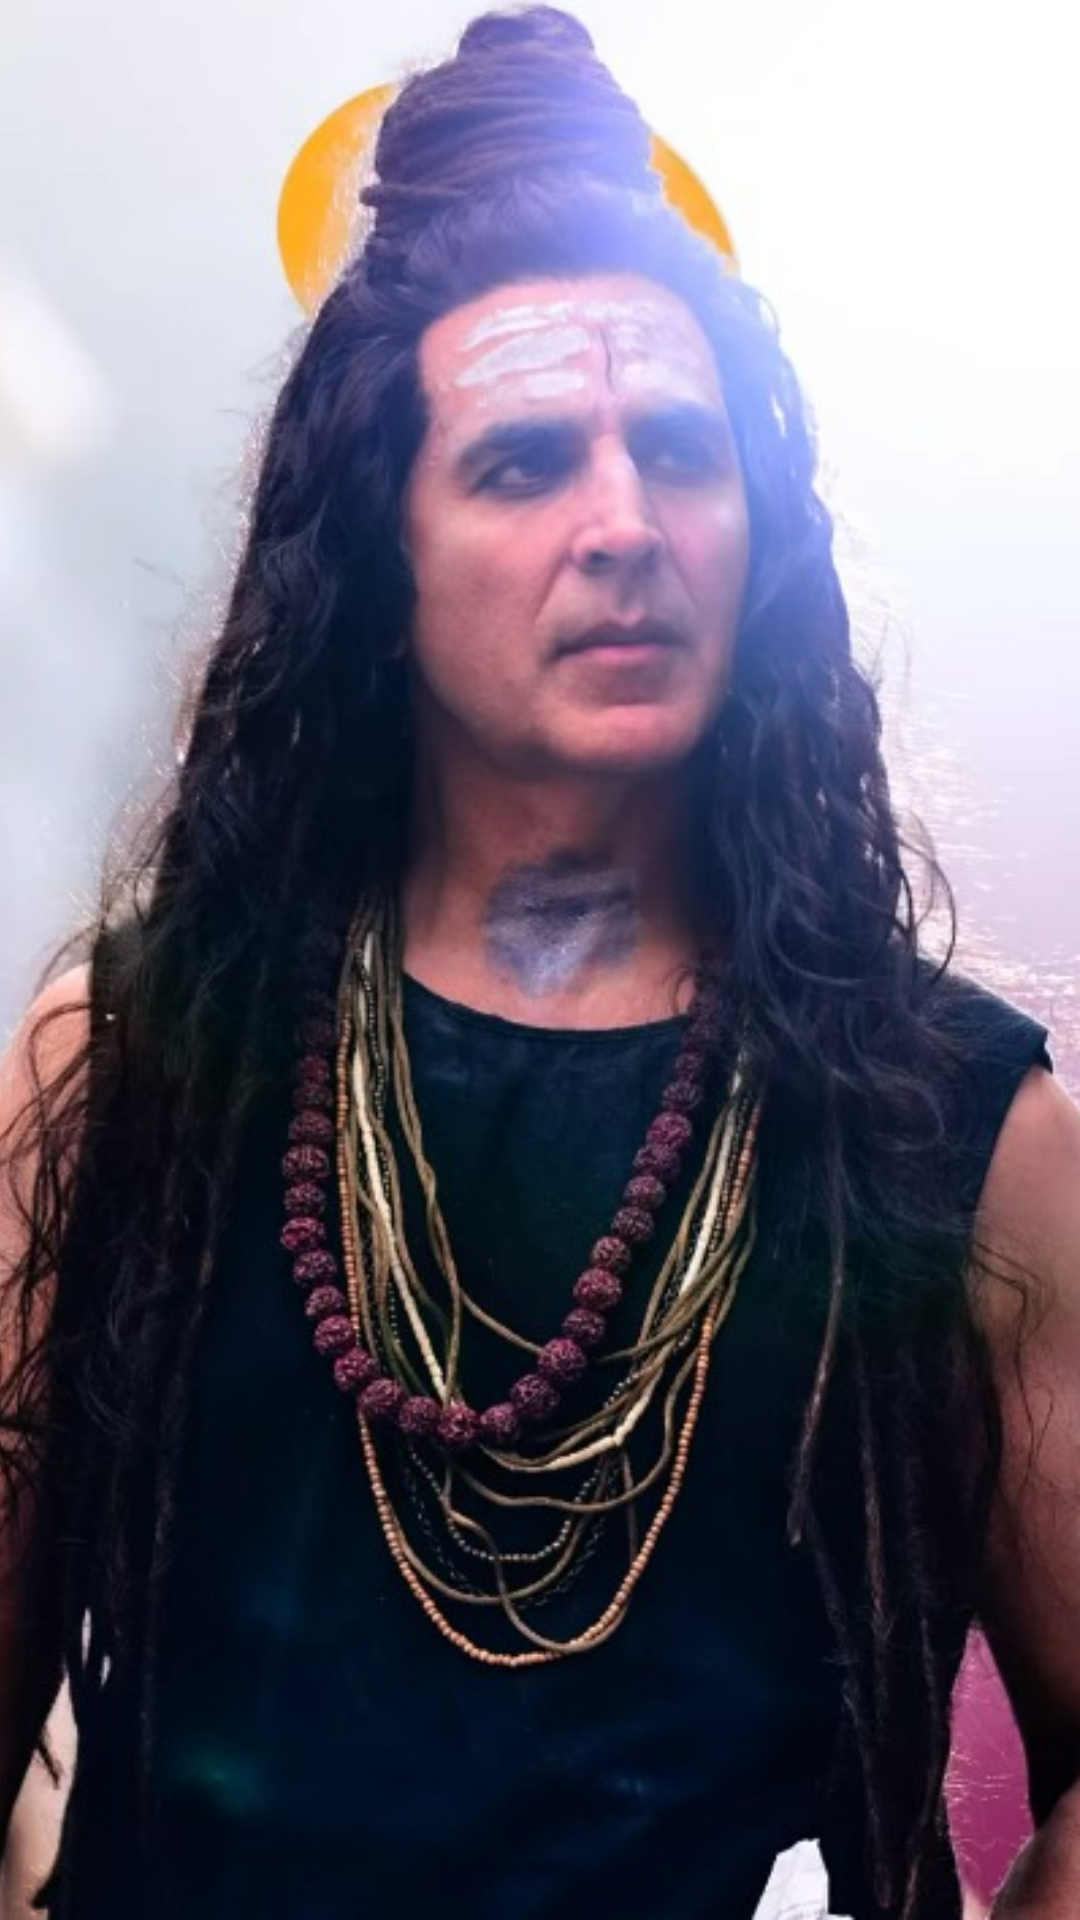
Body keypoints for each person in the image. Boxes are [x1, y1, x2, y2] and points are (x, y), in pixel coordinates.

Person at [2, 8, 1079, 1916]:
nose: (625, 526)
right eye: (521, 466)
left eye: (680, 452)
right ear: (376, 567)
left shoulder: (955, 1134)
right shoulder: (133, 1062)